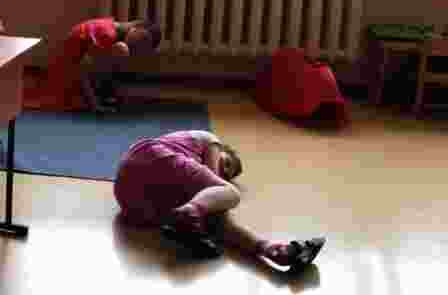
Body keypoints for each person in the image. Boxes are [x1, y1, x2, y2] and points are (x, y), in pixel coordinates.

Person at [114, 129, 325, 270]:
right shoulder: (210, 140)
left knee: (214, 220)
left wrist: (262, 248)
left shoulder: (188, 183)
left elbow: (219, 219)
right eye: (226, 164)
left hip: (132, 201)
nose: (222, 172)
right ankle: (190, 213)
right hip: (152, 155)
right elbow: (214, 181)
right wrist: (218, 191)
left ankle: (274, 251)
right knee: (231, 194)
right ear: (223, 151)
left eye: (227, 174)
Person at [24, 17, 163, 114]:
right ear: (135, 28)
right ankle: (89, 97)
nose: (138, 46)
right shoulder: (107, 34)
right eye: (142, 40)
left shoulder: (112, 28)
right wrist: (94, 104)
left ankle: (100, 95)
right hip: (68, 74)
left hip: (75, 68)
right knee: (120, 51)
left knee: (119, 53)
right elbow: (83, 68)